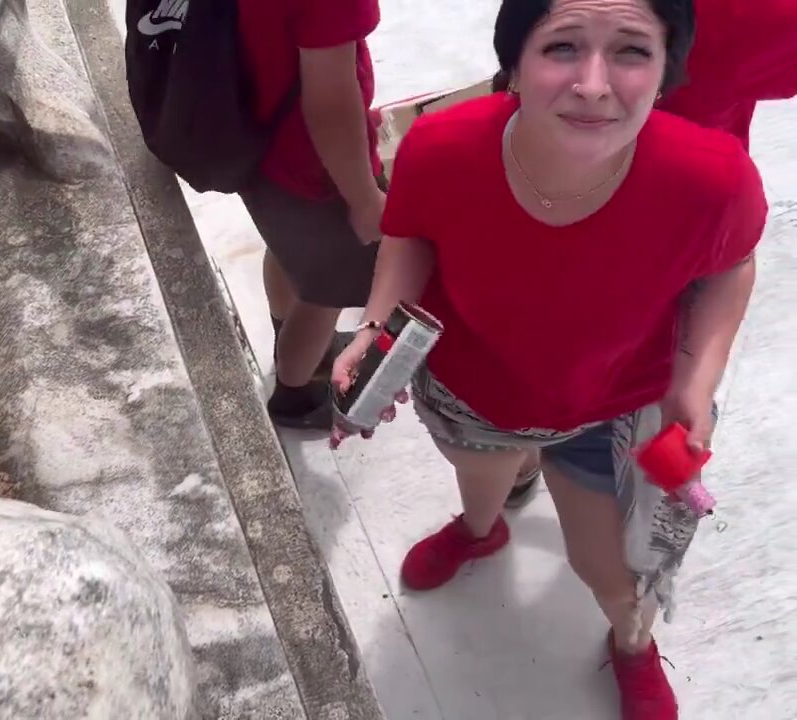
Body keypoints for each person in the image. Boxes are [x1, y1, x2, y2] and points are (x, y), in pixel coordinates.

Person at [331, 1, 768, 717]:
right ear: (514, 65)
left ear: (666, 73)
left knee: (618, 571)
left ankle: (631, 642)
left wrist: (696, 378)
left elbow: (733, 266)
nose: (594, 84)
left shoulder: (714, 178)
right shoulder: (440, 148)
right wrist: (374, 326)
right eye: (563, 47)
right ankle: (481, 531)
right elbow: (409, 234)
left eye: (631, 52)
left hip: (621, 404)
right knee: (483, 484)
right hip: (478, 390)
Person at [505, 0, 797, 509]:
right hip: (648, 209)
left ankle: (522, 449)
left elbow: (733, 264)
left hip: (624, 202)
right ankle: (525, 444)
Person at [236, 0, 387, 429]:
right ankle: (297, 393)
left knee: (287, 249)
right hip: (315, 166)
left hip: (254, 138)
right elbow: (330, 103)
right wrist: (363, 198)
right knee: (327, 292)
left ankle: (288, 337)